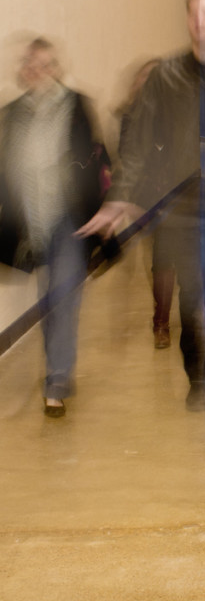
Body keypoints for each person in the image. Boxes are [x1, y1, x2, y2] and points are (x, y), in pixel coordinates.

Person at [80, 0, 205, 411]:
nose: (197, 21)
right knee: (191, 304)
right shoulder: (165, 76)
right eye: (192, 13)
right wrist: (119, 198)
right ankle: (199, 379)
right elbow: (137, 144)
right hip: (184, 213)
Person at [0, 38, 109, 417]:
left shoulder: (75, 105)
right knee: (49, 299)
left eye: (46, 64)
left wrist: (102, 212)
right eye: (32, 63)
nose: (38, 70)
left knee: (63, 295)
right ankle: (57, 365)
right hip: (32, 221)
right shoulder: (13, 112)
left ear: (55, 69)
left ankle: (57, 379)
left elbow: (95, 158)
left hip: (68, 218)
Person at [117, 57, 175, 348]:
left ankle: (164, 320)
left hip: (178, 195)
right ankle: (161, 319)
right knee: (159, 260)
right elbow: (127, 157)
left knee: (169, 259)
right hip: (147, 199)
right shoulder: (131, 117)